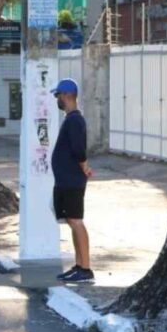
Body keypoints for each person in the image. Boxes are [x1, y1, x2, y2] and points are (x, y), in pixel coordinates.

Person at [51, 79, 94, 283]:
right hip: (65, 180)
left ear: (67, 95)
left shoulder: (75, 120)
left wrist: (84, 165)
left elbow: (79, 149)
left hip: (72, 181)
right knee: (71, 220)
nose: (57, 99)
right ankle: (79, 265)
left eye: (58, 95)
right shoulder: (70, 119)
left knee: (76, 221)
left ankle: (85, 268)